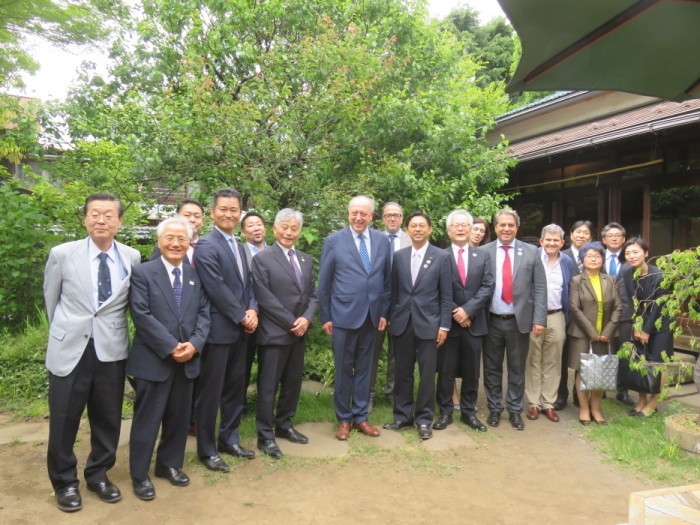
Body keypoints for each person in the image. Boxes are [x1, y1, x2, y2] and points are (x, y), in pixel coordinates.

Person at [43, 193, 142, 512]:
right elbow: (51, 300)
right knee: (63, 419)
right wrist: (63, 333)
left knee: (108, 418)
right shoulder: (62, 253)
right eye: (95, 214)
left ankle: (98, 474)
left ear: (119, 221)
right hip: (70, 348)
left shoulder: (132, 256)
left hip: (110, 350)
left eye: (109, 215)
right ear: (85, 219)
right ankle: (65, 483)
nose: (101, 220)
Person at [127, 217, 210, 500]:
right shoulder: (143, 272)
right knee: (147, 420)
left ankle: (169, 465)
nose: (176, 243)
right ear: (159, 240)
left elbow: (203, 314)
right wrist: (171, 345)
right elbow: (140, 314)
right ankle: (139, 474)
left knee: (177, 419)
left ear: (189, 243)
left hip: (187, 359)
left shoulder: (195, 275)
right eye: (170, 238)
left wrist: (195, 345)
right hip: (154, 359)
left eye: (182, 239)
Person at [193, 188, 258, 472]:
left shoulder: (241, 245)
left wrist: (253, 309)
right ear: (213, 213)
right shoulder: (207, 245)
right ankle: (206, 449)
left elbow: (249, 284)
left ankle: (228, 439)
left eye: (234, 210)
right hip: (219, 332)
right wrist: (241, 316)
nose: (229, 214)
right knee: (211, 392)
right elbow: (215, 287)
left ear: (240, 213)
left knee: (235, 389)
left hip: (242, 332)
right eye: (223, 209)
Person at [317, 195, 391, 440]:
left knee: (365, 369)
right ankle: (343, 420)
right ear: (348, 214)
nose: (358, 217)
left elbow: (386, 280)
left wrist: (383, 312)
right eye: (354, 213)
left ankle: (361, 417)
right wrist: (326, 315)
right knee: (343, 369)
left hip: (372, 317)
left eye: (364, 213)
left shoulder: (382, 241)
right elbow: (324, 283)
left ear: (372, 216)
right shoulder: (334, 241)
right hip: (343, 316)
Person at [251, 209, 318, 459]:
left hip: (299, 333)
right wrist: (292, 322)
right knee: (268, 388)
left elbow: (312, 295)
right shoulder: (263, 258)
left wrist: (306, 319)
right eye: (285, 227)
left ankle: (285, 425)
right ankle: (265, 436)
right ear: (275, 229)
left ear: (299, 232)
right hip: (274, 334)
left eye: (294, 228)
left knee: (292, 384)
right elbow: (265, 298)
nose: (289, 232)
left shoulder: (305, 259)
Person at [382, 212, 452, 440]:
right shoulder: (399, 256)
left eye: (422, 226)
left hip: (429, 325)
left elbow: (446, 295)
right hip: (402, 324)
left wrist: (444, 325)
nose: (418, 229)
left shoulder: (441, 257)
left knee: (427, 375)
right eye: (413, 226)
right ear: (408, 229)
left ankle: (424, 420)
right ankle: (402, 416)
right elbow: (393, 292)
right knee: (402, 373)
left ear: (430, 229)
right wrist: (391, 317)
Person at [481, 209, 547, 431]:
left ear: (517, 228)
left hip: (519, 321)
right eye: (502, 225)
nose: (506, 229)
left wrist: (539, 319)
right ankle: (494, 409)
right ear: (496, 227)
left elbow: (539, 287)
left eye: (510, 225)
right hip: (491, 320)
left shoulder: (531, 252)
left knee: (517, 368)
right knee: (491, 368)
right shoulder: (483, 251)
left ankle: (515, 410)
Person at [434, 210, 493, 433]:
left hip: (475, 323)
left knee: (471, 372)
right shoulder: (440, 256)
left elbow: (488, 286)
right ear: (448, 231)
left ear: (470, 229)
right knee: (446, 371)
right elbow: (436, 289)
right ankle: (445, 412)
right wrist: (455, 313)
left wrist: (468, 311)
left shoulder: (483, 256)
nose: (460, 229)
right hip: (448, 326)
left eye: (464, 225)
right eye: (455, 225)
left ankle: (469, 413)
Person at [524, 224, 576, 423]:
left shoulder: (567, 262)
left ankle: (549, 403)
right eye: (548, 240)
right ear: (541, 241)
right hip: (534, 317)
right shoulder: (532, 258)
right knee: (533, 359)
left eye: (556, 240)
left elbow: (569, 289)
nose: (552, 243)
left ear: (562, 243)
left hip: (557, 315)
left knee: (554, 361)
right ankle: (534, 403)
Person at [618, 238, 674, 418]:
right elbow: (629, 300)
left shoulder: (659, 275)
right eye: (628, 253)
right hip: (639, 321)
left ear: (646, 253)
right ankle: (641, 399)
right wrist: (636, 324)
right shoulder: (626, 271)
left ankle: (653, 402)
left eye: (635, 252)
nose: (631, 256)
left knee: (658, 361)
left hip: (661, 323)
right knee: (639, 358)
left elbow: (657, 306)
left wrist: (646, 330)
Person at [568, 242, 623, 425]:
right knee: (582, 371)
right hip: (582, 334)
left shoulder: (610, 280)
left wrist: (607, 331)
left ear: (602, 259)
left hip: (606, 334)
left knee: (601, 369)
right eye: (589, 255)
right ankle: (584, 409)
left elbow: (618, 306)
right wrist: (592, 332)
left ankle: (596, 409)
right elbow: (575, 308)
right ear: (582, 259)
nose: (593, 258)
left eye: (598, 255)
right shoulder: (576, 281)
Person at [370, 202, 411, 410]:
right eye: (388, 215)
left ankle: (393, 392)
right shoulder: (373, 239)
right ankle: (368, 394)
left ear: (402, 218)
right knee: (372, 351)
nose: (392, 218)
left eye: (396, 215)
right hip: (376, 304)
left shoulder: (411, 240)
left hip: (401, 304)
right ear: (382, 219)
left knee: (397, 352)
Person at [555, 220, 594, 410]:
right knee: (561, 358)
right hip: (565, 315)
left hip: (586, 319)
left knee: (583, 356)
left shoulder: (595, 257)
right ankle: (561, 394)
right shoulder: (562, 256)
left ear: (591, 237)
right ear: (570, 235)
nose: (581, 236)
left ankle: (580, 395)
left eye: (585, 233)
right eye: (578, 232)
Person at [601, 222, 635, 406]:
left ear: (623, 239)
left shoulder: (631, 259)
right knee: (602, 352)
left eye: (618, 235)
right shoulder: (596, 258)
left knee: (623, 354)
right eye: (610, 235)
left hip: (625, 314)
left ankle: (622, 390)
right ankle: (601, 387)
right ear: (603, 240)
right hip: (602, 314)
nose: (614, 238)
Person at [150, 198, 205, 264]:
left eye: (197, 216)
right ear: (177, 217)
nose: (192, 220)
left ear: (202, 221)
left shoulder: (208, 246)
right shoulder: (164, 246)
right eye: (187, 215)